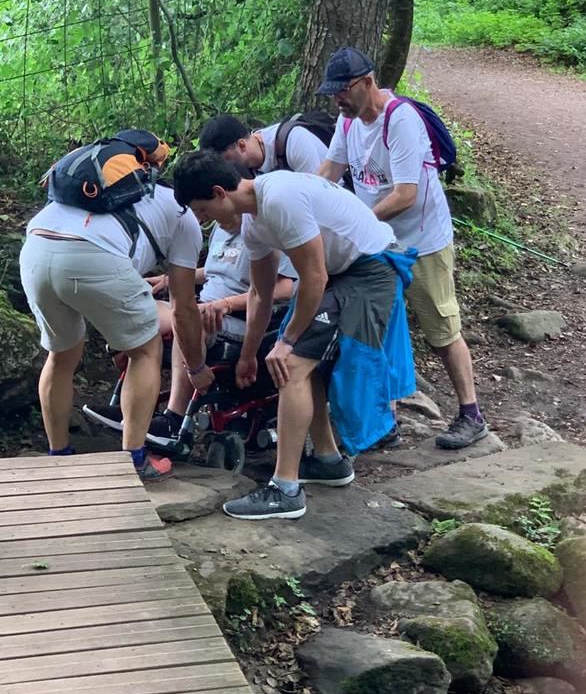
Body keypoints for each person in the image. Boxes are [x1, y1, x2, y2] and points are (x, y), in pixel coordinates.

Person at [172, 152, 416, 520]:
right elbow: (260, 294)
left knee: (292, 363)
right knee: (296, 361)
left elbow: (313, 277)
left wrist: (285, 343)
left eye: (203, 210)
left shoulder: (280, 197)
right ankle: (328, 461)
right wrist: (248, 355)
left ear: (220, 192)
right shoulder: (255, 224)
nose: (205, 221)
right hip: (340, 273)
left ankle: (285, 489)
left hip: (370, 269)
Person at [315, 46, 488, 450]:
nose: (337, 100)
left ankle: (471, 414)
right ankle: (385, 422)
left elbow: (406, 194)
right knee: (378, 331)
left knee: (441, 330)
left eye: (343, 91)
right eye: (333, 93)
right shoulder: (348, 122)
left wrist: (354, 224)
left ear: (367, 82)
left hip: (422, 241)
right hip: (379, 244)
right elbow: (329, 172)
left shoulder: (401, 120)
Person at [19, 155, 211, 483]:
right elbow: (183, 307)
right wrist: (195, 367)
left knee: (61, 355)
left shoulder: (97, 187)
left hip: (36, 247)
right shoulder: (183, 216)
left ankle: (59, 455)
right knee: (145, 350)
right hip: (94, 255)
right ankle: (134, 460)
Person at [83, 214, 297, 446]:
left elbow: (285, 289)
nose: (210, 220)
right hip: (202, 305)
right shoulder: (221, 225)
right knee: (141, 313)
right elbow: (216, 269)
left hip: (239, 317)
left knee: (186, 322)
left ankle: (173, 419)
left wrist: (225, 304)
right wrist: (168, 280)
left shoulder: (267, 231)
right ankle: (130, 410)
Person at [199, 114, 328, 175]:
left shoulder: (293, 141)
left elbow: (318, 193)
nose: (225, 167)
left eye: (226, 160)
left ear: (242, 146)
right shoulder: (247, 172)